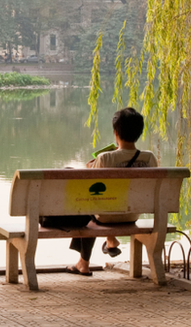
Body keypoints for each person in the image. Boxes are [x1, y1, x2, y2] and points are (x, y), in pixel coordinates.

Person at [49, 107, 158, 276]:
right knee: (104, 203)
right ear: (139, 132)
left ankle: (88, 259)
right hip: (132, 215)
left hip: (105, 215)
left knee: (86, 206)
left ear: (115, 132)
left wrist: (91, 166)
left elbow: (90, 191)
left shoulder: (105, 158)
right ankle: (107, 242)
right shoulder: (149, 157)